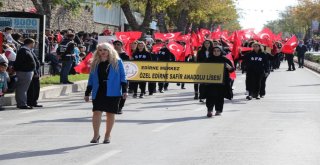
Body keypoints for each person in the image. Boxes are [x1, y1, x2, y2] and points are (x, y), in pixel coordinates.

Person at [84, 42, 127, 144]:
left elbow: (123, 77)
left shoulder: (117, 61)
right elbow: (91, 79)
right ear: (97, 52)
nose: (102, 52)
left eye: (105, 50)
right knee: (96, 112)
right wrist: (87, 92)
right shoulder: (95, 62)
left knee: (110, 113)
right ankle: (96, 135)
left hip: (113, 90)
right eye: (100, 50)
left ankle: (107, 135)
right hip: (99, 90)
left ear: (109, 51)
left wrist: (124, 90)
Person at [205, 46, 234, 117]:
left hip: (222, 82)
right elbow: (202, 69)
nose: (216, 52)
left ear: (221, 52)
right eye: (215, 51)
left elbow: (232, 70)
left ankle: (218, 110)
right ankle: (210, 110)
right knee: (210, 96)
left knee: (220, 96)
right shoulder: (208, 60)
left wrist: (229, 67)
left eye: (218, 51)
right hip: (210, 82)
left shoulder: (225, 60)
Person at [13, 38, 36, 109]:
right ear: (30, 43)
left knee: (22, 89)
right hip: (24, 72)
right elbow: (20, 62)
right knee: (22, 89)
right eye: (33, 43)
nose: (34, 45)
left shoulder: (25, 50)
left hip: (26, 71)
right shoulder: (23, 51)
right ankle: (22, 104)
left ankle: (21, 103)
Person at [113, 40, 129, 114]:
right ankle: (114, 106)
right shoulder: (110, 55)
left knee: (124, 91)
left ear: (121, 45)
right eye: (115, 44)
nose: (116, 45)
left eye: (118, 44)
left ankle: (120, 107)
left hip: (123, 76)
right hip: (113, 76)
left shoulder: (125, 55)